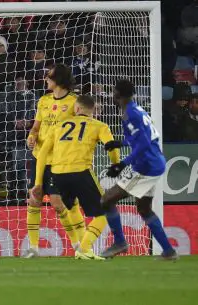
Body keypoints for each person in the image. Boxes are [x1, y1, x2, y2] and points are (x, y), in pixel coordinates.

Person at [31, 95, 121, 260]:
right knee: (105, 212)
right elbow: (111, 147)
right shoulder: (99, 125)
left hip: (57, 174)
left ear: (77, 109)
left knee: (71, 208)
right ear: (92, 111)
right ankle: (84, 248)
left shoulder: (58, 126)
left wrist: (38, 183)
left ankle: (79, 245)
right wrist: (116, 164)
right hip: (80, 171)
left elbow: (42, 153)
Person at [99, 80, 178, 260]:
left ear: (118, 93)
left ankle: (120, 242)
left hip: (145, 167)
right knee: (144, 209)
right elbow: (145, 136)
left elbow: (143, 143)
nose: (112, 94)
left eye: (113, 91)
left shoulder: (130, 114)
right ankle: (168, 251)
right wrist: (120, 143)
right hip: (154, 163)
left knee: (106, 200)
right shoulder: (136, 109)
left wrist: (122, 163)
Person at [24, 64, 84, 258]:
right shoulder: (43, 101)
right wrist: (31, 136)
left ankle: (79, 245)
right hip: (39, 158)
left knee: (59, 203)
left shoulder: (75, 102)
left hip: (61, 160)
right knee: (34, 199)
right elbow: (36, 127)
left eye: (49, 76)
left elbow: (84, 128)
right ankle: (33, 248)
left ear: (59, 80)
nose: (45, 79)